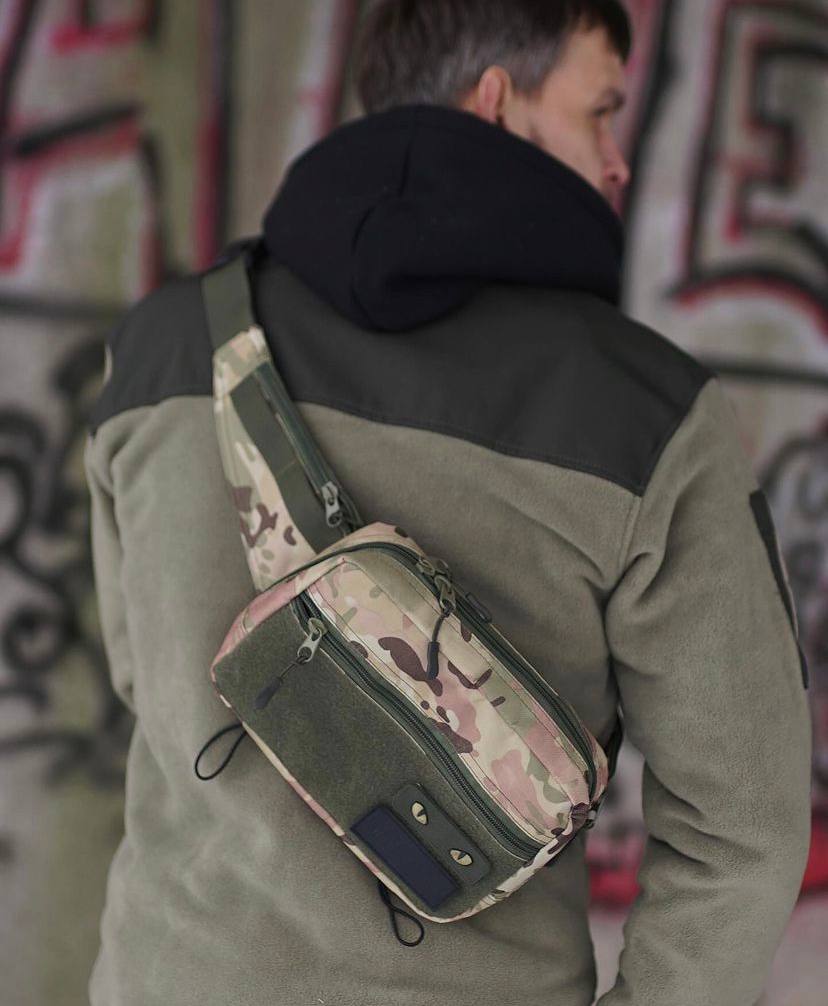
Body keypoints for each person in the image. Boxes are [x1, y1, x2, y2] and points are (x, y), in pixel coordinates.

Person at [83, 1, 812, 1004]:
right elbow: (746, 824)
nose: (618, 161)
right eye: (600, 111)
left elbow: (143, 677)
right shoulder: (644, 414)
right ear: (496, 101)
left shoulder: (161, 347)